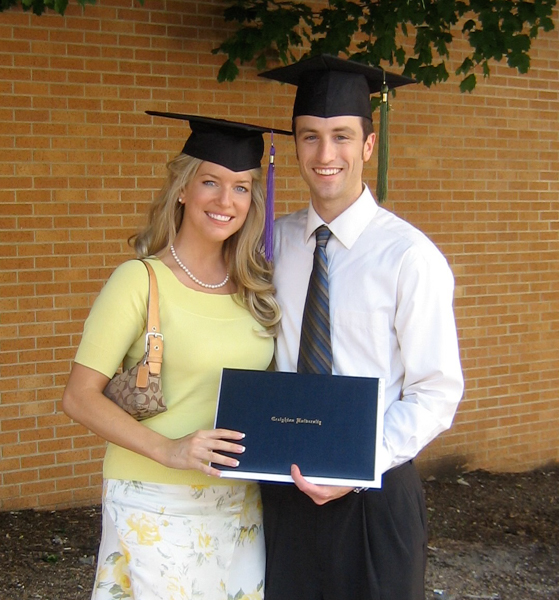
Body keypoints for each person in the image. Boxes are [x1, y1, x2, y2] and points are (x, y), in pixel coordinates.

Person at [258, 54, 465, 600]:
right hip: (284, 488)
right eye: (310, 137)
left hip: (374, 495)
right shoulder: (270, 247)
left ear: (368, 146)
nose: (326, 155)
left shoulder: (408, 258)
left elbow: (436, 391)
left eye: (343, 137)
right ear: (295, 144)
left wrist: (358, 464)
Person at [62, 113, 289, 600]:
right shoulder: (139, 280)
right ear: (184, 189)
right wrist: (169, 450)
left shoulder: (255, 289)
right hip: (155, 498)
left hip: (237, 502)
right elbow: (79, 398)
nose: (226, 201)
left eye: (242, 187)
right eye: (211, 182)